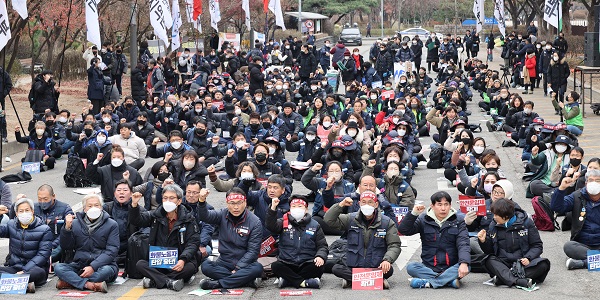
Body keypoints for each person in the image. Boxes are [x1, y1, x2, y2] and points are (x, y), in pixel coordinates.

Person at [129, 185, 200, 291]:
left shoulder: (188, 218)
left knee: (190, 267)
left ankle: (155, 280)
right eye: (165, 198)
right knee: (140, 264)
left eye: (172, 198)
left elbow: (193, 242)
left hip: (178, 262)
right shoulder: (156, 215)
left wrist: (182, 260)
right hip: (159, 261)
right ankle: (169, 281)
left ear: (179, 201)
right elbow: (137, 220)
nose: (168, 201)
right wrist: (134, 205)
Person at [325, 191, 401, 289]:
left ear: (376, 204)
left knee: (389, 270)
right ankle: (375, 280)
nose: (367, 205)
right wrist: (341, 205)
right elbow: (328, 220)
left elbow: (394, 245)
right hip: (354, 266)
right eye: (364, 202)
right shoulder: (351, 219)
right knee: (336, 268)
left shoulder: (386, 222)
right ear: (359, 204)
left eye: (370, 202)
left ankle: (352, 280)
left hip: (376, 266)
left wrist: (387, 260)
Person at [399, 191, 470, 289]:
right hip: (429, 267)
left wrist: (464, 263)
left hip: (450, 267)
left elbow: (463, 243)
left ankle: (428, 283)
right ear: (432, 206)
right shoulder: (424, 219)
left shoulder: (458, 221)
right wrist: (413, 214)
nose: (443, 208)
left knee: (467, 265)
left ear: (450, 205)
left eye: (446, 204)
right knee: (411, 267)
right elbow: (404, 230)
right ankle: (448, 281)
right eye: (439, 204)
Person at [196, 188, 264, 290]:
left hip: (245, 264)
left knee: (258, 268)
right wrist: (201, 201)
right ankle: (246, 281)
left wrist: (238, 268)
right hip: (224, 262)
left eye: (239, 203)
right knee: (205, 266)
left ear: (245, 203)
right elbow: (205, 216)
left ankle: (218, 284)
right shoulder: (222, 214)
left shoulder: (255, 222)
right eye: (232, 203)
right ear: (227, 204)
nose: (236, 207)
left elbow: (253, 251)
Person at [478, 198, 550, 288]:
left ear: (505, 216)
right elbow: (490, 251)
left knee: (543, 264)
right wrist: (483, 241)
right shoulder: (493, 225)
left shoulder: (527, 223)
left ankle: (503, 279)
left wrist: (528, 258)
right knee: (488, 260)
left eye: (496, 215)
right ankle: (519, 281)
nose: (494, 217)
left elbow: (537, 246)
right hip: (503, 263)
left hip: (522, 264)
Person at [54, 194, 119, 293]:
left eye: (96, 205)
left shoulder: (112, 224)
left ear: (101, 207)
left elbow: (111, 251)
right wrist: (67, 229)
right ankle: (89, 285)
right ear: (84, 209)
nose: (93, 208)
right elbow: (66, 246)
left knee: (106, 271)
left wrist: (93, 267)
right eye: (90, 206)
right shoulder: (75, 223)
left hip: (102, 265)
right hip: (80, 265)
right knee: (59, 268)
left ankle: (70, 282)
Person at [266, 196, 328, 289]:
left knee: (319, 266)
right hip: (287, 263)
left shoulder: (315, 225)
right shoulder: (283, 222)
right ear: (290, 209)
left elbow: (322, 245)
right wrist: (273, 208)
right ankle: (304, 282)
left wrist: (320, 256)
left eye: (300, 206)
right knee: (276, 266)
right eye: (294, 206)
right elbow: (271, 225)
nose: (296, 209)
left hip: (307, 262)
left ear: (306, 209)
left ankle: (287, 280)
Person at [0, 198, 53, 293]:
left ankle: (10, 281)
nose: (24, 213)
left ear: (32, 211)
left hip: (34, 269)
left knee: (38, 273)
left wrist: (25, 270)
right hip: (15, 267)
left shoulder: (44, 229)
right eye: (21, 211)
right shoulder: (11, 224)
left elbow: (43, 255)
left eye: (27, 210)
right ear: (16, 213)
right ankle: (24, 284)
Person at [552, 169, 600, 270]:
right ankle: (595, 260)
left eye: (598, 181)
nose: (594, 183)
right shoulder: (577, 196)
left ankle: (583, 263)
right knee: (568, 246)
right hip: (582, 244)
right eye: (591, 180)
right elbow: (557, 207)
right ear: (586, 183)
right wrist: (561, 189)